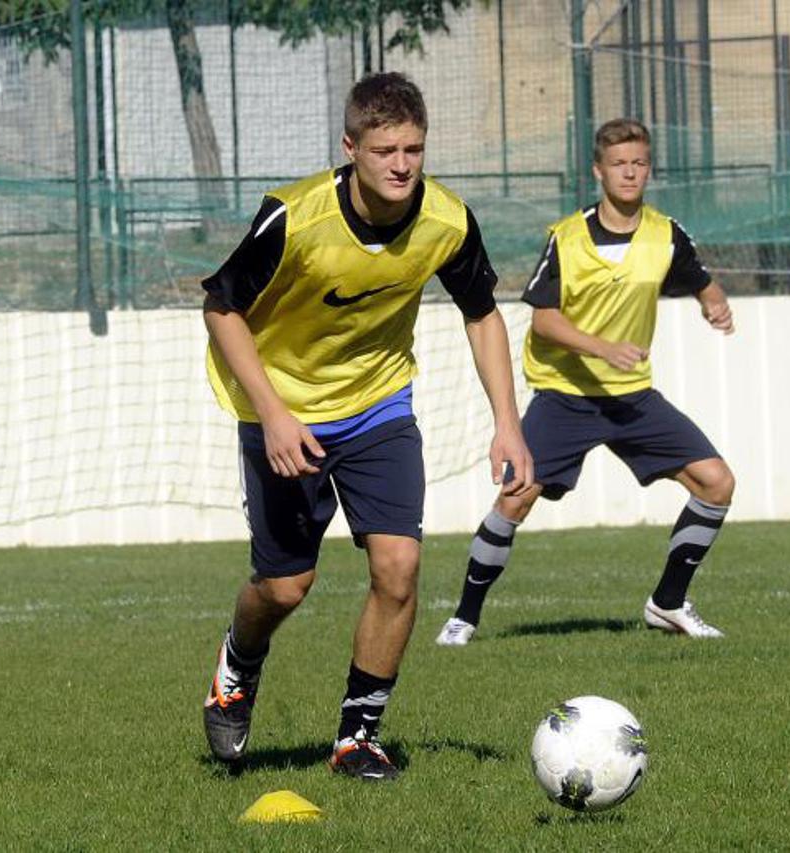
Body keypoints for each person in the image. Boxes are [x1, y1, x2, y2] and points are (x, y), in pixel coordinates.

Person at [199, 72, 533, 780]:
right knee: (285, 586)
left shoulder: (447, 220)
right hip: (283, 409)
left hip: (379, 405)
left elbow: (481, 315)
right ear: (350, 148)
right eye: (385, 150)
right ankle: (238, 666)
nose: (402, 165)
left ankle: (358, 737)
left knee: (399, 567)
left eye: (414, 149)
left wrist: (507, 422)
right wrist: (274, 413)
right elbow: (221, 308)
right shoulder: (294, 215)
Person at [436, 118, 735, 648]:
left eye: (639, 163)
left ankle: (668, 603)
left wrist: (714, 304)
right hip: (565, 396)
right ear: (598, 171)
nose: (630, 173)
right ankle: (463, 618)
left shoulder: (665, 234)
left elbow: (700, 279)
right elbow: (544, 321)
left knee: (717, 482)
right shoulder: (567, 237)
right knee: (514, 499)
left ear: (649, 169)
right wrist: (604, 348)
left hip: (631, 397)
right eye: (619, 164)